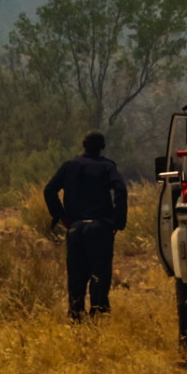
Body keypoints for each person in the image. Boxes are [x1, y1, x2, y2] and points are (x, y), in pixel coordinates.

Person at [42, 130, 128, 320]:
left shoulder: (70, 166)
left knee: (77, 276)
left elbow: (49, 190)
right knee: (99, 275)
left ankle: (76, 315)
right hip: (100, 229)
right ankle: (98, 314)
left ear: (83, 145)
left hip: (76, 229)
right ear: (102, 147)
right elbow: (120, 189)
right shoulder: (107, 167)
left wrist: (61, 216)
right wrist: (118, 221)